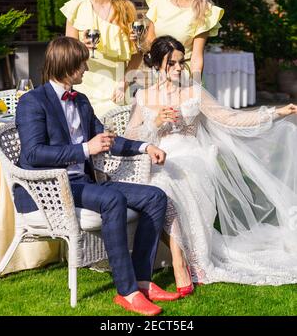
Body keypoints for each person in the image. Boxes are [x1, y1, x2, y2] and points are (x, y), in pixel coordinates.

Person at [14, 36, 181, 316]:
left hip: (81, 184)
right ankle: (126, 292)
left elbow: (105, 139)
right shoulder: (33, 102)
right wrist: (83, 149)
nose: (86, 70)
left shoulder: (80, 100)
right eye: (81, 65)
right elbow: (33, 154)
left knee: (155, 197)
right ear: (66, 65)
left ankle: (142, 280)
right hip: (49, 190)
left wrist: (144, 146)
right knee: (113, 198)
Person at [125, 35, 297, 288]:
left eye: (180, 62)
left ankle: (180, 262)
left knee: (165, 183)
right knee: (159, 182)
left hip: (192, 157)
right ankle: (180, 258)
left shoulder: (193, 92)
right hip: (158, 156)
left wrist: (273, 112)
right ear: (156, 64)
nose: (177, 68)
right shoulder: (143, 97)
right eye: (171, 63)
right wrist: (154, 123)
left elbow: (229, 118)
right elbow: (129, 137)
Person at [61, 0, 141, 116]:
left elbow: (137, 54)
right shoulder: (77, 7)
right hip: (85, 85)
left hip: (117, 89)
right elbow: (67, 55)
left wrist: (124, 83)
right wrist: (81, 46)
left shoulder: (127, 9)